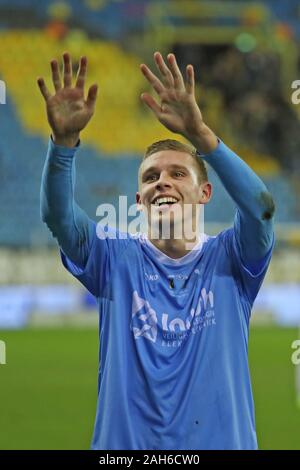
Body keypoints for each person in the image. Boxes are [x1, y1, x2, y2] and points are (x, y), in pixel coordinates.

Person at [38, 51, 275, 450]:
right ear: (139, 199)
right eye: (151, 177)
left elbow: (262, 210)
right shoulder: (113, 259)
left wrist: (201, 136)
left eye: (177, 173)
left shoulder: (232, 259)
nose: (162, 182)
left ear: (205, 193)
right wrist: (63, 144)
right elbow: (58, 218)